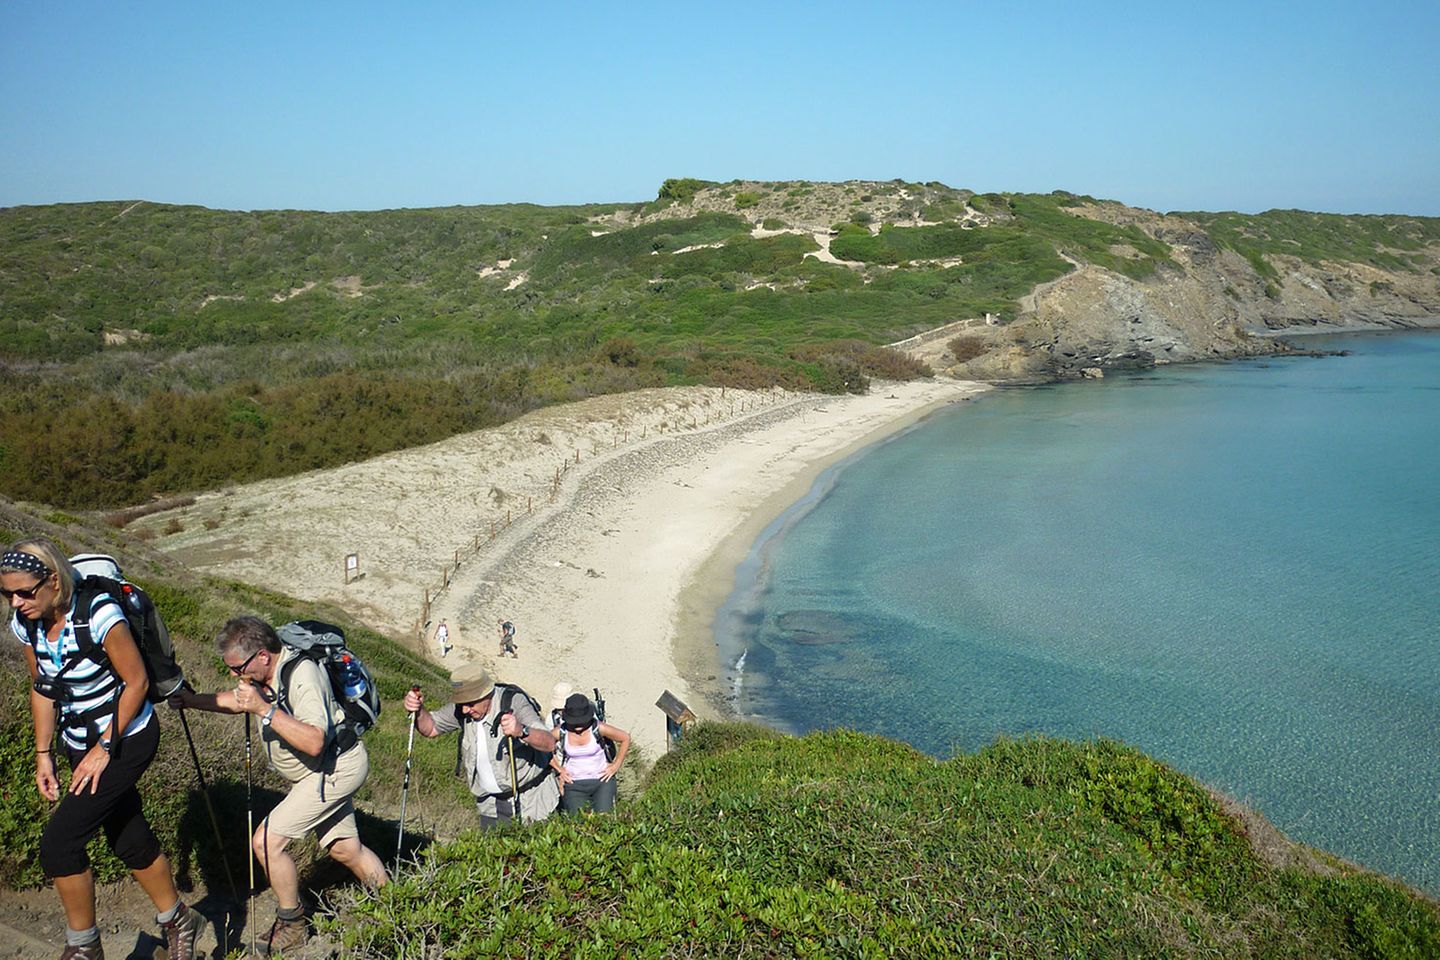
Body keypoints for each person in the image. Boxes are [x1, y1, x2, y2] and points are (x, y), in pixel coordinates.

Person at [3, 538, 204, 960]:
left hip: (127, 737)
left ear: (53, 582)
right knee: (127, 836)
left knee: (59, 844)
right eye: (7, 594)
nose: (16, 602)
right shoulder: (28, 624)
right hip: (78, 740)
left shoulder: (99, 614)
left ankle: (84, 947)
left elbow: (137, 683)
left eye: (24, 592)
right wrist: (44, 754)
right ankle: (180, 920)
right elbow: (42, 687)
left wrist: (104, 747)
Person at [170, 616, 386, 956]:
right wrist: (191, 701)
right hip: (320, 772)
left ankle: (292, 923)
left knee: (266, 842)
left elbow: (315, 741)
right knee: (345, 849)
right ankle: (392, 904)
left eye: (238, 667)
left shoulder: (302, 675)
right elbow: (237, 700)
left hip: (335, 768)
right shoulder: (264, 674)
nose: (234, 675)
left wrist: (264, 709)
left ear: (263, 656)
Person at [402, 663, 558, 826]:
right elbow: (431, 728)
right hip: (489, 806)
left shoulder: (513, 701)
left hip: (530, 804)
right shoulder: (462, 709)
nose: (464, 710)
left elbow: (549, 743)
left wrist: (522, 731)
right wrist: (418, 710)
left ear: (486, 694)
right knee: (492, 851)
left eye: (470, 703)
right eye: (462, 703)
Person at [550, 692, 630, 814]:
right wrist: (558, 769)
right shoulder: (561, 732)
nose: (578, 726)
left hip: (602, 781)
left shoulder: (598, 728)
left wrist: (616, 765)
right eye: (574, 721)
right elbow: (542, 747)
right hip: (573, 784)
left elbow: (625, 738)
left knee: (605, 821)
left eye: (581, 721)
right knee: (578, 824)